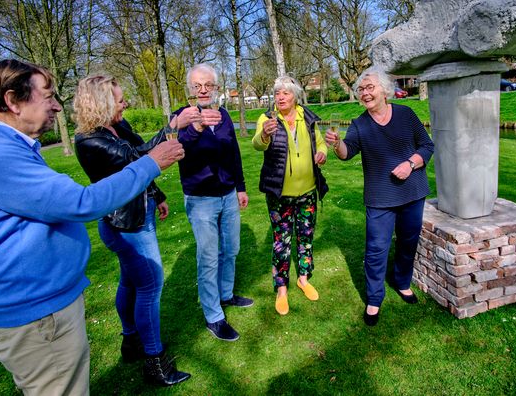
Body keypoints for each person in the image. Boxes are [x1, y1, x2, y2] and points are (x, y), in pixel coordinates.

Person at [0, 60, 184, 395]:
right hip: (36, 316)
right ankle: (151, 355)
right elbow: (81, 203)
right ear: (13, 100)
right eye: (47, 96)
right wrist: (153, 162)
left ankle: (134, 341)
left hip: (42, 308)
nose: (57, 105)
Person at [73, 75, 190, 386]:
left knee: (130, 281)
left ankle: (131, 341)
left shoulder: (117, 127)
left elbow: (139, 168)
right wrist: (172, 126)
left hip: (139, 212)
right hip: (126, 224)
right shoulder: (89, 141)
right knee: (151, 285)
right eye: (119, 100)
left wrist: (158, 195)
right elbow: (137, 159)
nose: (125, 103)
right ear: (102, 103)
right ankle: (155, 362)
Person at [325, 67, 434, 326]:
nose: (365, 93)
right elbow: (346, 152)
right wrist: (336, 143)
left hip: (412, 191)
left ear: (384, 90)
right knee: (376, 250)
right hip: (380, 197)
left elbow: (427, 145)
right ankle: (374, 299)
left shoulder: (406, 115)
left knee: (408, 242)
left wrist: (410, 164)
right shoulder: (359, 124)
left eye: (369, 87)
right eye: (361, 89)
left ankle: (403, 282)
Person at [174, 63, 253, 342]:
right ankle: (213, 316)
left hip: (228, 194)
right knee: (208, 257)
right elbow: (180, 147)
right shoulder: (181, 117)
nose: (203, 90)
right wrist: (195, 126)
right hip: (200, 199)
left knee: (231, 248)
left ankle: (226, 294)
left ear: (217, 88)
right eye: (197, 85)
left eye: (208, 85)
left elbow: (233, 154)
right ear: (190, 89)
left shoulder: (224, 115)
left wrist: (240, 187)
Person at [252, 75, 328, 316]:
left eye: (285, 93)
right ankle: (281, 288)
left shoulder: (307, 117)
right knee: (282, 241)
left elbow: (321, 143)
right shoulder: (267, 118)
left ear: (295, 95)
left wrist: (323, 153)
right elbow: (257, 144)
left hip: (307, 192)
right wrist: (264, 134)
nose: (281, 97)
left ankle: (303, 279)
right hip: (279, 194)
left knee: (305, 237)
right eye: (277, 93)